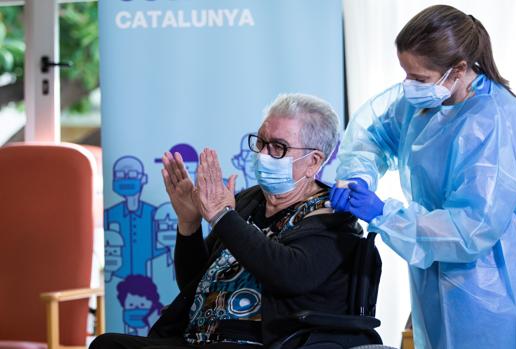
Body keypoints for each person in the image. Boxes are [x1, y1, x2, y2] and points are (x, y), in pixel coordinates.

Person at [330, 5, 516, 348]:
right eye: (405, 73)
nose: (408, 85)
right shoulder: (424, 100)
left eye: (418, 78)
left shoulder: (494, 120)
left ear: (458, 69)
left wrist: (385, 214)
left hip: (490, 275)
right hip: (433, 257)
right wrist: (360, 176)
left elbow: (471, 228)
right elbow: (372, 137)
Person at [90, 94, 366, 349]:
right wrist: (190, 224)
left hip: (265, 341)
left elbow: (289, 274)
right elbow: (193, 282)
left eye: (278, 147)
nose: (263, 154)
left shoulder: (333, 214)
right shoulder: (248, 201)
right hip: (199, 337)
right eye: (260, 142)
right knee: (107, 345)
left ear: (314, 161)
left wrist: (224, 217)